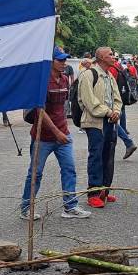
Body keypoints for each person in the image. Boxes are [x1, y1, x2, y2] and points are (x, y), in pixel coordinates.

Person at [19, 48, 90, 220]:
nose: (64, 63)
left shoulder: (65, 79)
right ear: (50, 62)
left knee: (69, 170)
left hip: (63, 135)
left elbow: (63, 108)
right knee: (35, 173)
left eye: (65, 59)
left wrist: (64, 129)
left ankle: (70, 206)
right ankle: (26, 208)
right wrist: (56, 132)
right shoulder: (41, 83)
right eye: (60, 60)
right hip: (42, 137)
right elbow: (40, 112)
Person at [78, 47, 122, 208]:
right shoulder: (88, 75)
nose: (113, 56)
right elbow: (88, 101)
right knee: (96, 155)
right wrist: (109, 112)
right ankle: (94, 192)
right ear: (101, 57)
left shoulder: (110, 76)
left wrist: (116, 111)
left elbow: (117, 98)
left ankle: (105, 189)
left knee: (108, 156)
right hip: (96, 122)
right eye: (110, 54)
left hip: (110, 121)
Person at [109, 58, 138, 159]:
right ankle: (125, 134)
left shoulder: (111, 68)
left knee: (112, 122)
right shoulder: (118, 66)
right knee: (120, 116)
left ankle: (128, 142)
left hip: (114, 97)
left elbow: (111, 84)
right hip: (121, 96)